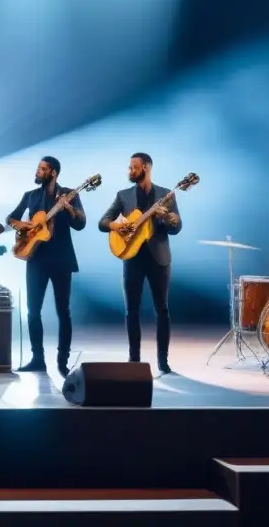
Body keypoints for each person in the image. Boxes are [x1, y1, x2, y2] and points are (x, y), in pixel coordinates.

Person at [98, 153, 181, 375]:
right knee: (131, 310)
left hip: (159, 258)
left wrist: (168, 218)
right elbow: (103, 222)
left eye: (134, 167)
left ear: (146, 167)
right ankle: (134, 359)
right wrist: (118, 227)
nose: (130, 171)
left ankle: (163, 362)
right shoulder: (123, 195)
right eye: (129, 167)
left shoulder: (166, 194)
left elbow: (176, 227)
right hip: (131, 257)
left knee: (162, 309)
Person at [6, 156, 86, 377]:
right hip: (36, 259)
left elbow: (80, 223)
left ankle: (62, 361)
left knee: (64, 312)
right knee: (33, 312)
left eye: (42, 169)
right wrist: (21, 224)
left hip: (61, 259)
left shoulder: (69, 194)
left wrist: (69, 209)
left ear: (53, 173)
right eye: (38, 168)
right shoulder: (30, 196)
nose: (37, 172)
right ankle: (38, 359)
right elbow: (10, 218)